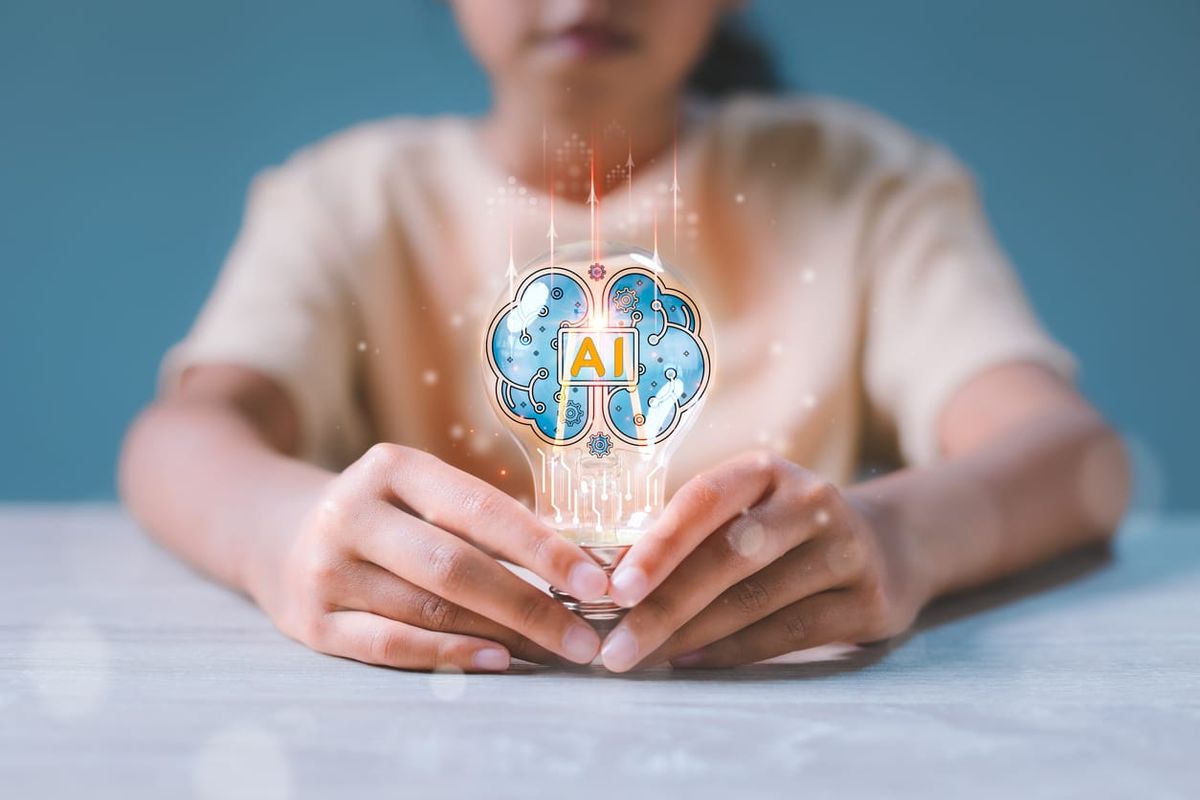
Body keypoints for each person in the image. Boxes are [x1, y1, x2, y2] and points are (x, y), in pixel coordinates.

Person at [118, 0, 1130, 674]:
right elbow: (181, 436)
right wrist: (282, 533)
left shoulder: (871, 189)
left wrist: (900, 537)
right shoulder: (343, 202)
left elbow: (1074, 457)